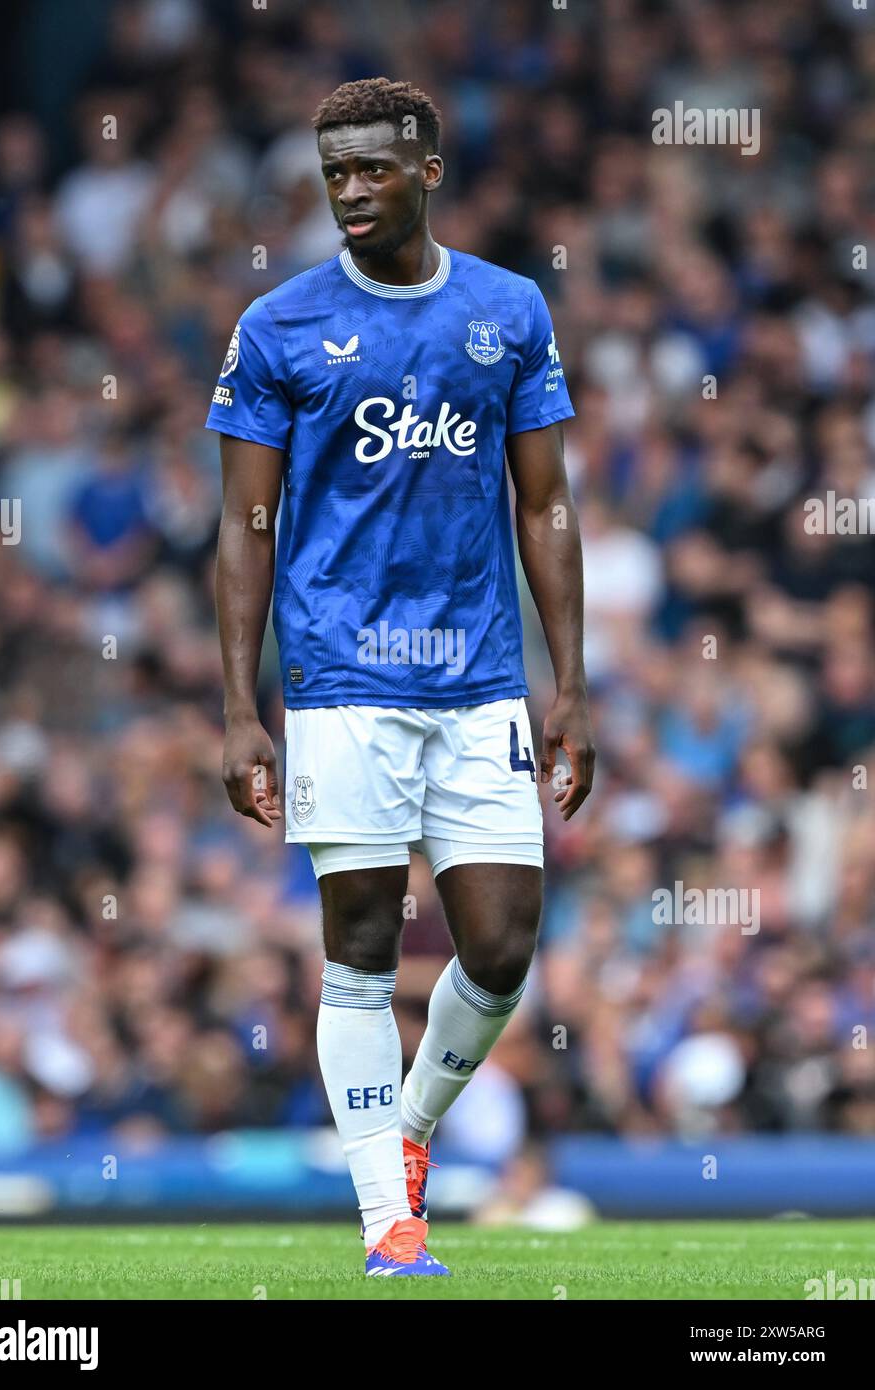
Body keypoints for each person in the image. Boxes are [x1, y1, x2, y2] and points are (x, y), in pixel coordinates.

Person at [208, 77, 594, 1277]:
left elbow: (546, 503)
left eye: (372, 169)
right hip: (340, 683)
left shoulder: (508, 309)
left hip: (480, 680)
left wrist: (567, 682)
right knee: (363, 942)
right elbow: (242, 529)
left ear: (427, 167)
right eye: (333, 175)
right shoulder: (277, 327)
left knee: (499, 945)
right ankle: (389, 1220)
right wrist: (239, 706)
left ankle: (409, 1134)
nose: (350, 192)